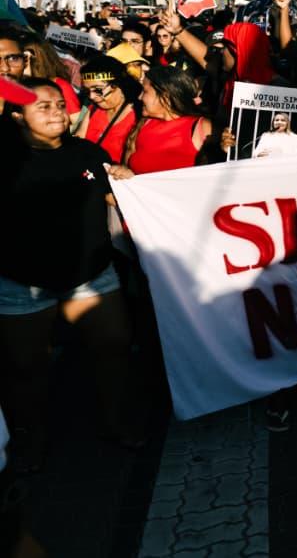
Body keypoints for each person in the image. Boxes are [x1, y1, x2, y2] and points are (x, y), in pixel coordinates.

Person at [0, 78, 141, 474]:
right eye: (43, 106)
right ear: (17, 116)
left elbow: (116, 198)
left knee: (114, 348)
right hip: (22, 284)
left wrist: (126, 179)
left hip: (91, 276)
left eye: (60, 104)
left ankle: (115, 423)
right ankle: (32, 440)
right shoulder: (5, 159)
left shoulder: (87, 152)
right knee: (27, 368)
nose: (57, 112)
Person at [118, 66, 218, 175]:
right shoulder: (143, 124)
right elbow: (126, 168)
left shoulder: (201, 128)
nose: (140, 97)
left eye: (145, 91)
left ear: (165, 97)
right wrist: (123, 172)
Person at [74, 55, 141, 164]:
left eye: (98, 90)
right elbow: (79, 140)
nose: (91, 96)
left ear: (117, 84)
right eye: (87, 91)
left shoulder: (138, 113)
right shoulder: (94, 108)